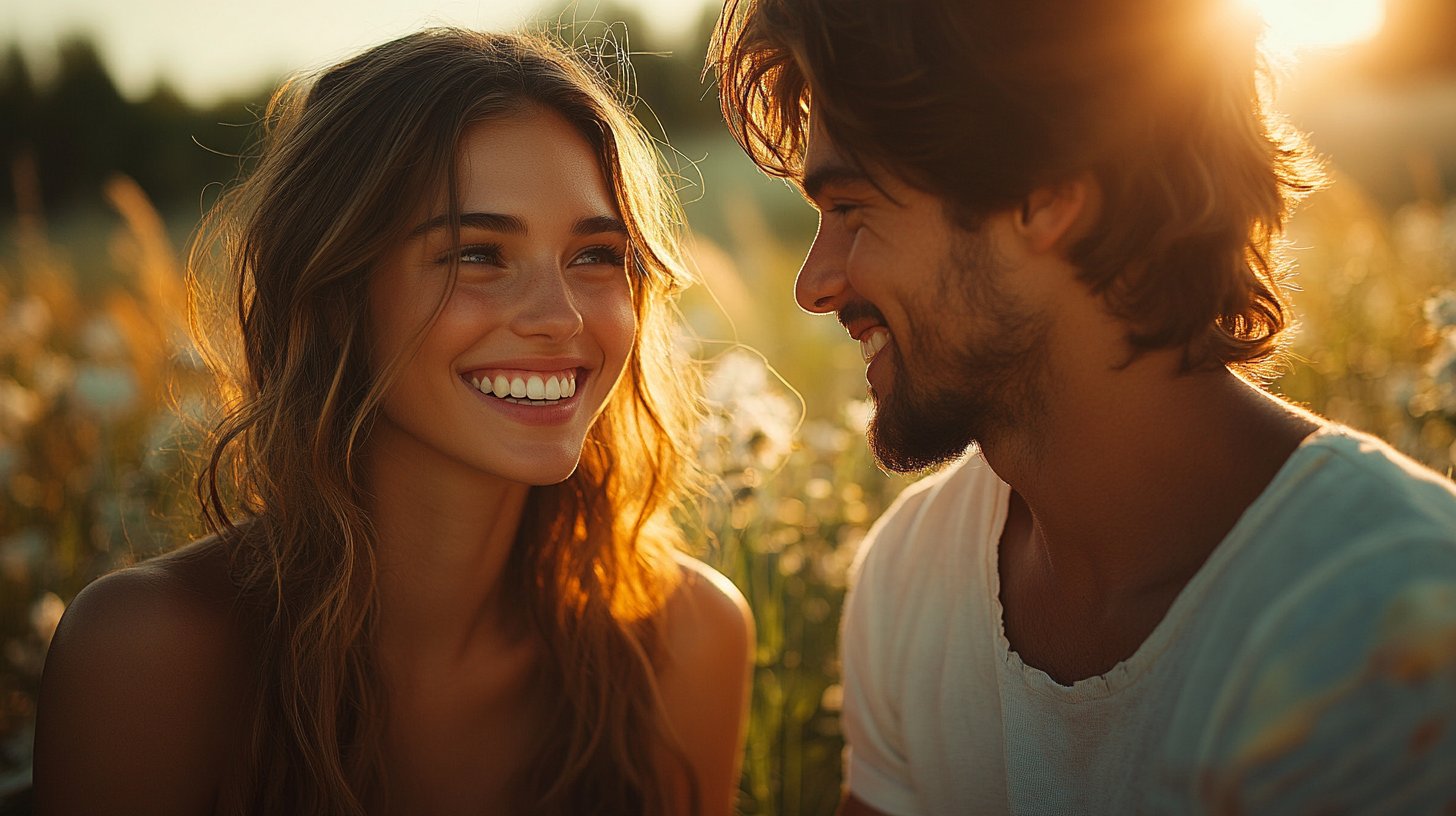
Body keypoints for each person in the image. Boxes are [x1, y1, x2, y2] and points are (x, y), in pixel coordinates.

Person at [709, 0, 1456, 813]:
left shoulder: (1394, 617)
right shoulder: (911, 575)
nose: (812, 283)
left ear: (1044, 196)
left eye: (852, 210)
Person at [34, 28, 753, 816]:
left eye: (596, 256)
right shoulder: (148, 656)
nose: (560, 317)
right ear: (335, 292)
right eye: (478, 254)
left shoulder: (686, 641)